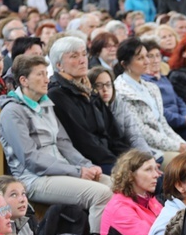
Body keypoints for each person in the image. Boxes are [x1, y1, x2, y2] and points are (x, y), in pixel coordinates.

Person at [0, 54, 113, 235]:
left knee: (114, 184)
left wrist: (85, 165)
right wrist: (77, 171)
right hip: (34, 179)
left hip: (62, 170)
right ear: (24, 80)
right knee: (101, 194)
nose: (47, 79)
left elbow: (64, 143)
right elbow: (31, 159)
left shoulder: (44, 104)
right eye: (40, 75)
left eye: (46, 74)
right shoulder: (12, 112)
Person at [49, 37, 130, 174]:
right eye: (74, 56)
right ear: (59, 65)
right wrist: (117, 162)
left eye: (84, 54)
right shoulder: (57, 94)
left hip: (111, 157)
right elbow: (83, 141)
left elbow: (114, 131)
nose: (82, 60)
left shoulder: (88, 89)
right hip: (92, 163)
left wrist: (130, 158)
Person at [114, 37, 186, 165]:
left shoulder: (151, 87)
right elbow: (140, 131)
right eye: (140, 58)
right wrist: (176, 146)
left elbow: (162, 122)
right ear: (124, 64)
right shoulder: (121, 91)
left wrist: (181, 143)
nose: (147, 61)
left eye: (147, 56)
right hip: (143, 150)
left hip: (165, 143)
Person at [88, 66, 160, 162]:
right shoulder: (91, 109)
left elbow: (134, 135)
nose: (105, 89)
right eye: (99, 85)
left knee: (155, 161)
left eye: (108, 84)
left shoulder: (119, 103)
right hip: (110, 157)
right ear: (91, 87)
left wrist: (148, 157)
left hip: (127, 151)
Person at [100, 149, 163, 235]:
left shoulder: (147, 197)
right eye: (148, 169)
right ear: (130, 175)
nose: (156, 175)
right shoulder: (119, 208)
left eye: (155, 169)